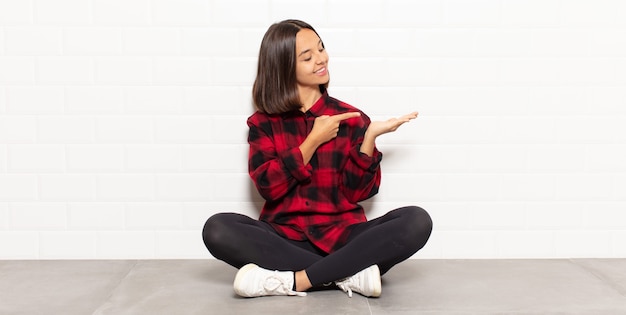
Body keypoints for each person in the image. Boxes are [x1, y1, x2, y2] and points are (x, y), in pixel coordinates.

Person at [202, 19, 432, 298]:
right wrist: (312, 141)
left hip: (345, 238)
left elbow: (359, 192)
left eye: (321, 49)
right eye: (307, 57)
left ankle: (296, 281)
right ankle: (345, 275)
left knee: (417, 220)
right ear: (284, 66)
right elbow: (267, 187)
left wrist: (369, 138)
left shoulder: (352, 118)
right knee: (217, 228)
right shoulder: (263, 123)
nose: (321, 59)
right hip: (284, 239)